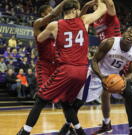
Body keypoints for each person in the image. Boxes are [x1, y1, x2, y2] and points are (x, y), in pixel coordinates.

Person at [17, 0, 106, 135]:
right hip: (80, 70)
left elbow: (40, 38)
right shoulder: (83, 20)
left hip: (65, 69)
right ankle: (78, 131)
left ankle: (25, 132)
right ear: (76, 10)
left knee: (41, 100)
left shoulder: (55, 25)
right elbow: (102, 9)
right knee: (66, 103)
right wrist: (97, 2)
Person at [60, 26, 132, 135]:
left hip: (114, 77)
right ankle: (67, 126)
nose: (130, 35)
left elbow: (131, 72)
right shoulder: (109, 43)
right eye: (129, 32)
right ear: (123, 33)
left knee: (130, 95)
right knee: (78, 102)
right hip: (97, 74)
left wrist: (125, 79)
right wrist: (102, 77)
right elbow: (94, 61)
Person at [17, 1, 71, 135]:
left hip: (58, 67)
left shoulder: (55, 28)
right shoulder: (37, 24)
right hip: (44, 66)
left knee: (66, 100)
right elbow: (52, 15)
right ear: (42, 14)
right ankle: (25, 130)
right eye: (48, 11)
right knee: (42, 98)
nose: (52, 13)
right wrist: (65, 3)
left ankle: (69, 127)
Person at [81, 0, 122, 134]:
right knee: (105, 94)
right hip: (104, 56)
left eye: (97, 5)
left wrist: (100, 1)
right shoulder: (96, 20)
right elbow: (81, 20)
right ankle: (107, 123)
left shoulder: (109, 15)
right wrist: (86, 6)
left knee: (121, 91)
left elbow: (110, 3)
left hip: (115, 54)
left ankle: (70, 120)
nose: (95, 7)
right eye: (94, 6)